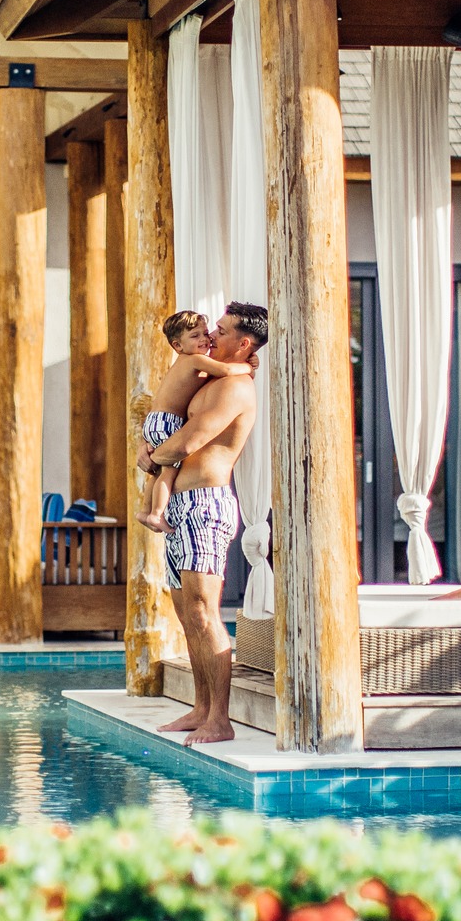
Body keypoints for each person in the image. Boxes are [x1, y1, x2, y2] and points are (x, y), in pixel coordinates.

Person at [138, 302, 266, 745]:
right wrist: (145, 446)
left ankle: (220, 720)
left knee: (203, 611)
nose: (213, 334)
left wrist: (151, 458)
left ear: (244, 343)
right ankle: (201, 708)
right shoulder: (207, 377)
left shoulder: (236, 388)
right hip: (180, 505)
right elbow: (168, 418)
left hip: (206, 507)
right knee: (185, 612)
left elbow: (189, 440)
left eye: (223, 330)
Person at [136, 310, 254, 534]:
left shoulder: (191, 367)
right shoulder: (197, 361)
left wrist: (152, 454)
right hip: (166, 422)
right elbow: (227, 370)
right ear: (178, 345)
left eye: (206, 333)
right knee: (168, 471)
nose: (207, 338)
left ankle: (145, 509)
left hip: (156, 422)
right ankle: (156, 513)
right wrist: (249, 367)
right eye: (195, 336)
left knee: (161, 473)